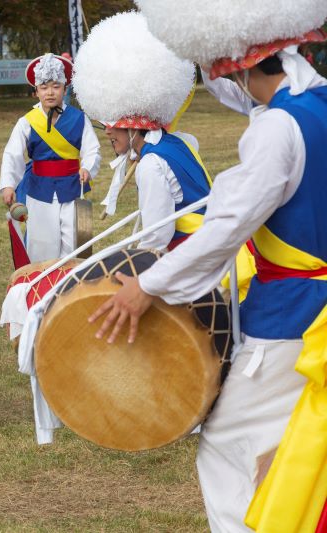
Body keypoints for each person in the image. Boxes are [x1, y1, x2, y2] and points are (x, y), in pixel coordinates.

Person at [92, 1, 327, 530]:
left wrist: (148, 286)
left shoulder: (277, 129)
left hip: (292, 320)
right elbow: (233, 91)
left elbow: (224, 230)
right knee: (284, 447)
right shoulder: (318, 105)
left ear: (237, 62)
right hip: (310, 318)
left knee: (224, 444)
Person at [72, 12, 207, 252]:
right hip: (212, 251)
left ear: (133, 125)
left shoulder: (151, 164)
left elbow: (156, 238)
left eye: (111, 125)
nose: (107, 133)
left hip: (193, 261)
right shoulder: (180, 143)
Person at [0, 53, 101, 262]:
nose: (50, 92)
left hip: (73, 188)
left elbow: (93, 150)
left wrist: (88, 168)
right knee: (42, 245)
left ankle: (73, 289)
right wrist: (8, 185)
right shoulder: (27, 121)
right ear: (36, 91)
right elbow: (12, 154)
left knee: (76, 244)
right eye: (44, 87)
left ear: (65, 88)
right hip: (39, 191)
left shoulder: (79, 119)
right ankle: (44, 290)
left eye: (56, 86)